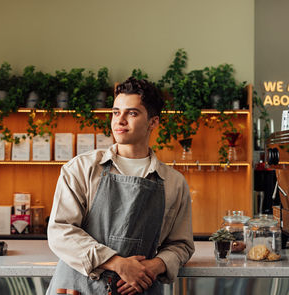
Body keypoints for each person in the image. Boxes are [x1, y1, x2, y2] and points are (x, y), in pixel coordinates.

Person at [47, 77, 195, 295]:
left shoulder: (173, 182)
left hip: (140, 287)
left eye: (132, 113)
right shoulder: (81, 168)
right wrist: (118, 263)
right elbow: (60, 230)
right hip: (78, 288)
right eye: (116, 112)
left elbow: (181, 245)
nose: (120, 120)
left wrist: (155, 266)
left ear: (153, 122)